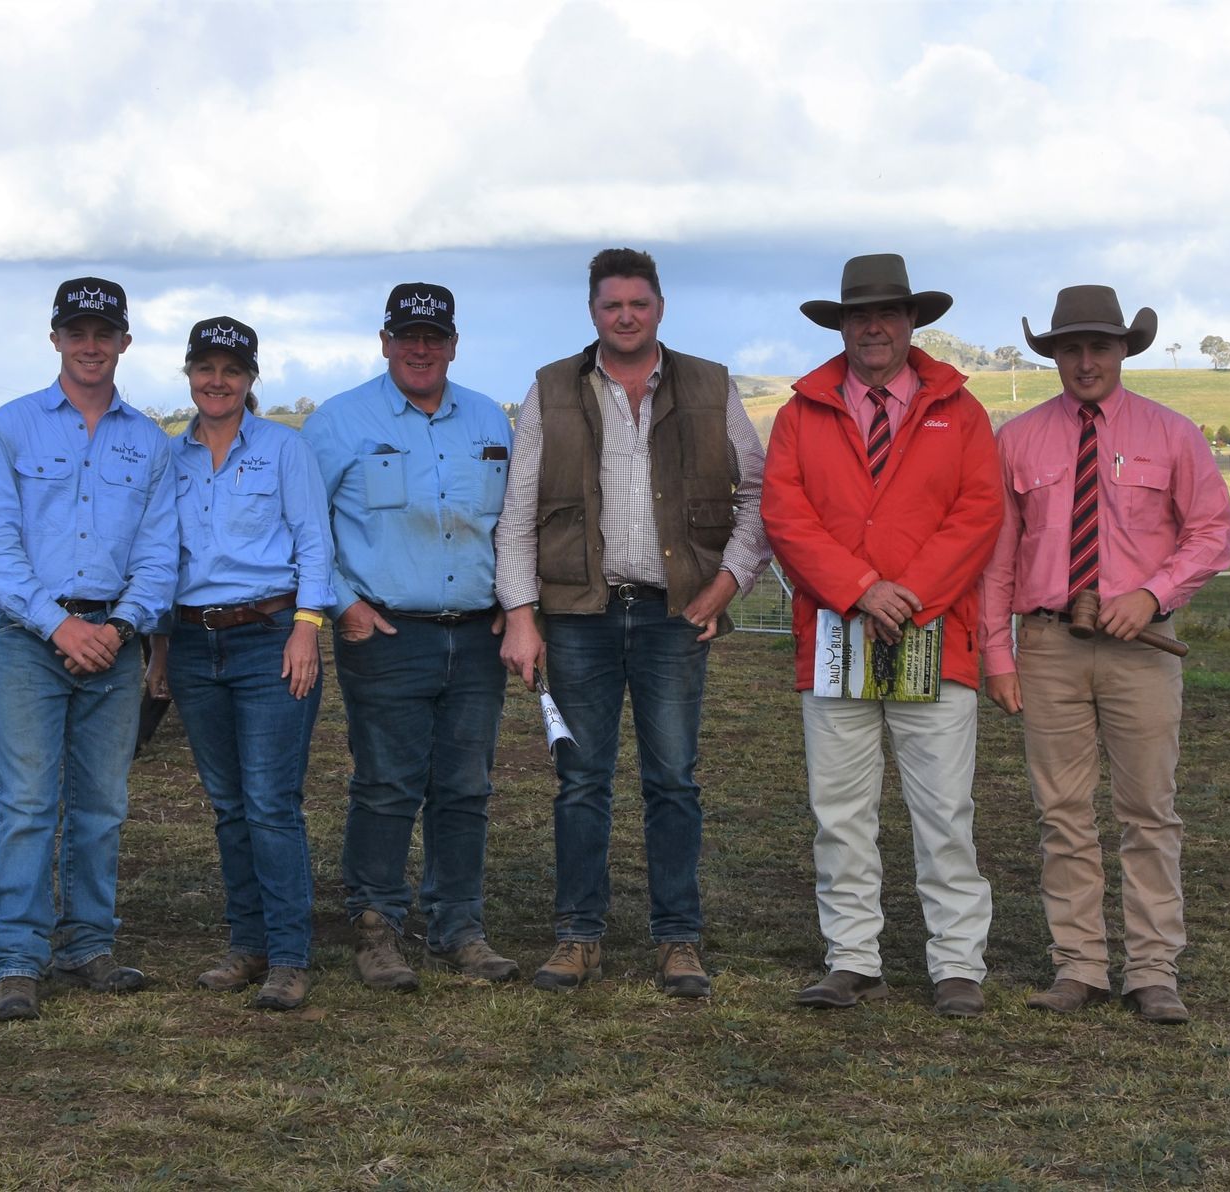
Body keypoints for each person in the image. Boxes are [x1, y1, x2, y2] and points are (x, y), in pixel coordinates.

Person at [495, 247, 769, 998]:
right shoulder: (552, 388)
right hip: (577, 614)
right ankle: (578, 936)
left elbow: (760, 494)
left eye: (638, 304)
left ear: (660, 308)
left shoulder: (711, 385)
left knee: (673, 781)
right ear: (593, 311)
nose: (625, 316)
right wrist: (521, 615)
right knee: (580, 781)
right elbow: (518, 514)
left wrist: (726, 583)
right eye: (611, 304)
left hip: (672, 614)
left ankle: (677, 939)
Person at [980, 285, 1230, 1025]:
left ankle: (1154, 970)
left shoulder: (1173, 433)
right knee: (1061, 813)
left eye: (1098, 346)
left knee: (1148, 811)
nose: (1084, 361)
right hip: (1050, 644)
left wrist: (1152, 595)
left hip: (1140, 648)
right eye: (1069, 348)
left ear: (1124, 350)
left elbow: (1212, 531)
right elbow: (997, 558)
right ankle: (1080, 966)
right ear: (1053, 355)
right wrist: (997, 653)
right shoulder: (1018, 440)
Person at [760, 254, 1002, 1017]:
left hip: (935, 634)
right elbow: (784, 516)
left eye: (888, 314)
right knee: (839, 809)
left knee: (943, 811)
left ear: (911, 323)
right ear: (842, 325)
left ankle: (958, 963)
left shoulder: (960, 412)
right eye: (859, 316)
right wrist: (861, 590)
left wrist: (911, 595)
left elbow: (978, 514)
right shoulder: (801, 413)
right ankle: (852, 956)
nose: (873, 327)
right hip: (835, 636)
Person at [0, 276, 178, 1022]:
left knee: (102, 806)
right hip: (32, 640)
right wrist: (58, 624)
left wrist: (119, 629)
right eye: (76, 332)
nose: (91, 346)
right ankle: (17, 958)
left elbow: (160, 556)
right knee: (26, 803)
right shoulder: (13, 427)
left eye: (104, 333)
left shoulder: (149, 442)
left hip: (114, 645)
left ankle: (89, 944)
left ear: (124, 341)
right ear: (54, 338)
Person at [298, 284, 518, 991]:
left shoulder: (489, 419)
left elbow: (514, 522)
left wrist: (515, 604)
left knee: (465, 787)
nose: (421, 349)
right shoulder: (339, 422)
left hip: (477, 635)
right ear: (385, 340)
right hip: (385, 633)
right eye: (408, 336)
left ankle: (459, 927)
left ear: (453, 344)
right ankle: (375, 926)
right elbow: (301, 525)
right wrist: (342, 606)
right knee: (386, 785)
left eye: (435, 337)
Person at [143, 317, 333, 1012]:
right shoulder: (170, 458)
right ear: (188, 374)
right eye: (204, 368)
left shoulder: (284, 449)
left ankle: (288, 955)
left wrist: (307, 628)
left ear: (252, 379)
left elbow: (315, 542)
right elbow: (161, 559)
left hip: (270, 637)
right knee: (228, 807)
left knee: (271, 804)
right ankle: (245, 944)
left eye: (231, 369)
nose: (216, 381)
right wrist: (160, 649)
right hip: (194, 644)